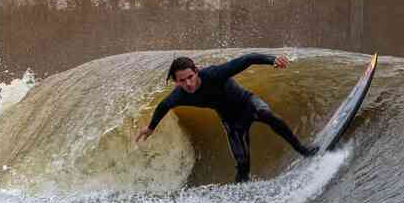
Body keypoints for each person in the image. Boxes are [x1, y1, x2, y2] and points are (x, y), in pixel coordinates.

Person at [135, 53, 318, 183]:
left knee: (268, 116)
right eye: (182, 81)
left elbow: (248, 59)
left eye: (190, 77)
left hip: (248, 103)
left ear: (196, 71)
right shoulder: (178, 96)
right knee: (242, 164)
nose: (188, 83)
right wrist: (150, 128)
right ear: (176, 81)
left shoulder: (215, 74)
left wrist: (273, 60)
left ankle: (303, 150)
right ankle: (241, 198)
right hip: (231, 121)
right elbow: (163, 106)